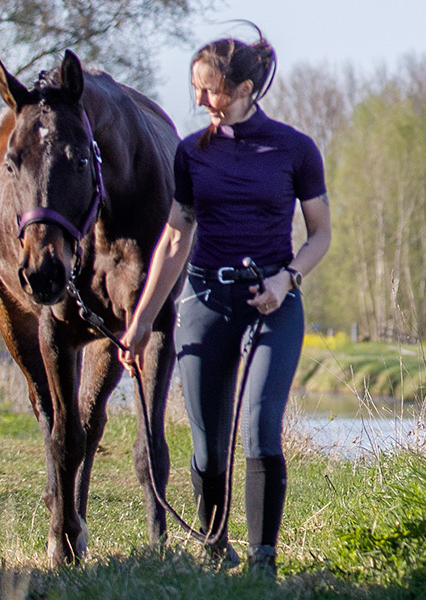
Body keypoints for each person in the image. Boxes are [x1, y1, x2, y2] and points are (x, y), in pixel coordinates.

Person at [118, 28, 332, 577]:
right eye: (195, 88)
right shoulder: (190, 155)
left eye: (209, 90)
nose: (199, 100)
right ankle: (215, 547)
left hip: (273, 301)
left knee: (261, 424)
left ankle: (262, 561)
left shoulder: (295, 150)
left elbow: (320, 235)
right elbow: (173, 238)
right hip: (206, 298)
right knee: (209, 447)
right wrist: (140, 323)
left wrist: (287, 280)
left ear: (243, 88)